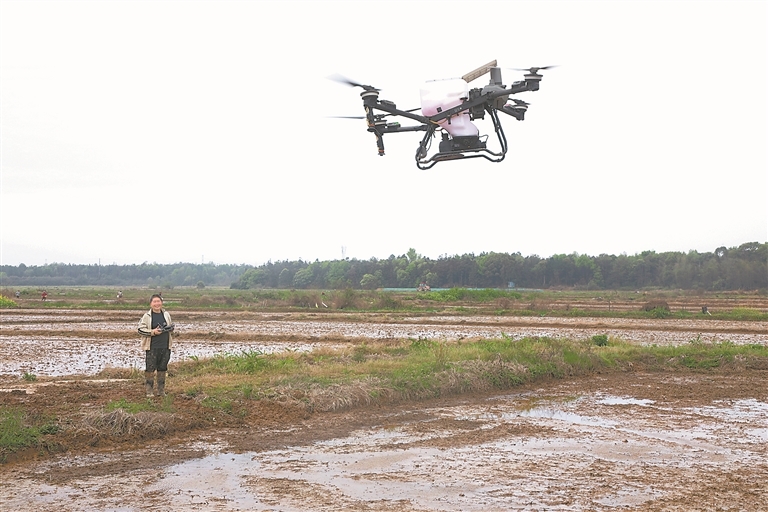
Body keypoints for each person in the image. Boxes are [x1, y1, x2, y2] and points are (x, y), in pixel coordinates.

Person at [137, 294, 174, 397]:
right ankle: (149, 391)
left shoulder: (166, 314)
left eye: (158, 301)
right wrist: (153, 332)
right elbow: (140, 330)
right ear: (151, 304)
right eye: (155, 302)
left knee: (162, 368)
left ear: (161, 303)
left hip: (165, 346)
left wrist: (170, 329)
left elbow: (170, 327)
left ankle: (161, 391)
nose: (157, 304)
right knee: (150, 368)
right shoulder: (147, 316)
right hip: (152, 347)